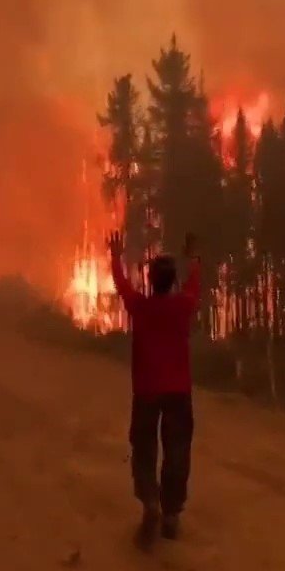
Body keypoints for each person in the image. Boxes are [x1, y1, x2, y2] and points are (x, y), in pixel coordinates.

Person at [109, 231, 200, 543]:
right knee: (177, 452)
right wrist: (193, 258)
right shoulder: (183, 306)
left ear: (150, 280)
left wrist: (115, 256)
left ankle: (150, 502)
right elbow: (194, 284)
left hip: (147, 391)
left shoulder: (140, 307)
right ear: (172, 281)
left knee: (144, 450)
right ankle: (171, 514)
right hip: (178, 392)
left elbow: (121, 284)